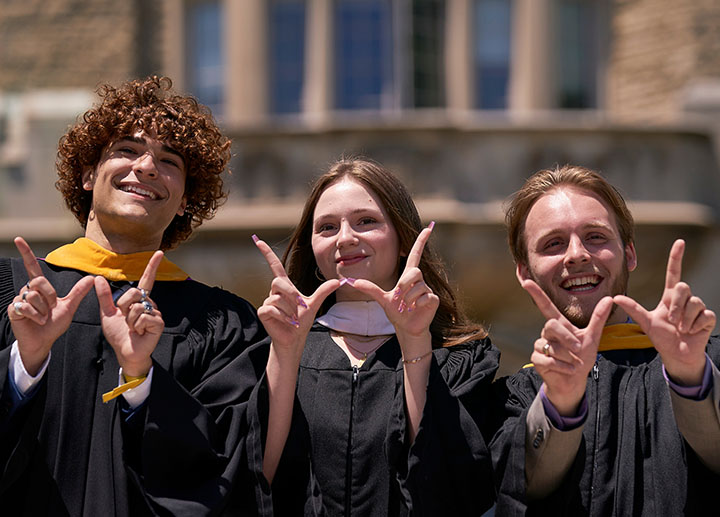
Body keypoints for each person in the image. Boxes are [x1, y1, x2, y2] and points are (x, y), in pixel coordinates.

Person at [0, 76, 265, 516]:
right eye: (126, 150)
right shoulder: (12, 294)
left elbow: (229, 467)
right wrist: (23, 363)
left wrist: (142, 380)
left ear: (184, 200)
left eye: (169, 161)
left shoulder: (223, 325)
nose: (145, 167)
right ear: (87, 174)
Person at [235, 158, 499, 515]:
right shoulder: (273, 353)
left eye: (367, 221)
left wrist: (414, 342)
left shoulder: (461, 359)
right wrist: (285, 352)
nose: (345, 238)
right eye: (327, 227)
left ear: (403, 238)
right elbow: (253, 486)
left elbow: (454, 487)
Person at [490, 165, 720, 515]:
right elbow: (524, 487)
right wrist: (561, 402)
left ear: (629, 254)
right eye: (553, 243)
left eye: (596, 236)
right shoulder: (515, 395)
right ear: (525, 271)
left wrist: (689, 376)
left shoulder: (705, 362)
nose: (577, 254)